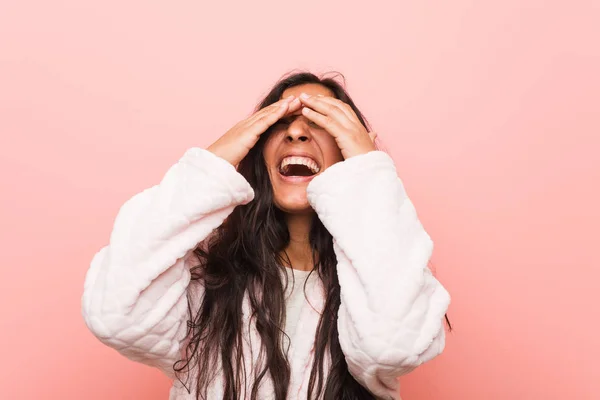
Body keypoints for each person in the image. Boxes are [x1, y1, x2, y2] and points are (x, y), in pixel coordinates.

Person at [81, 71, 451, 400]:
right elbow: (117, 316)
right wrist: (213, 162)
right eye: (281, 122)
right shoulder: (203, 277)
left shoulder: (389, 275)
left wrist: (369, 176)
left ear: (353, 150)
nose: (296, 131)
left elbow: (393, 346)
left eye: (321, 120)